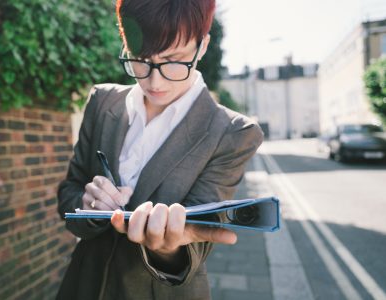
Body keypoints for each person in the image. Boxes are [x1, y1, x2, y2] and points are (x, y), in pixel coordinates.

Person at [56, 0, 263, 299]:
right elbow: (69, 193)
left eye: (174, 60)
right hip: (82, 286)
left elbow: (198, 242)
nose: (154, 81)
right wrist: (89, 206)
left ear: (202, 47)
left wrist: (168, 249)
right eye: (140, 59)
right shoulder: (102, 102)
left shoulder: (232, 132)